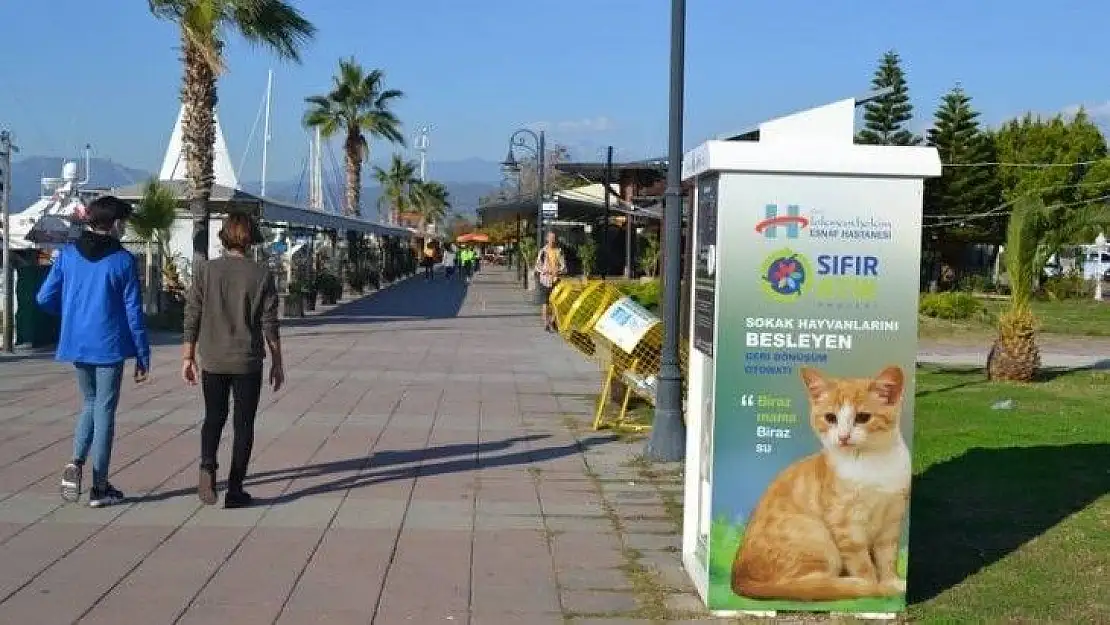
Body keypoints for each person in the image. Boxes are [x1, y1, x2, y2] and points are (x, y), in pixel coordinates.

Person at [36, 195, 150, 508]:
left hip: (76, 341)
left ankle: (75, 460)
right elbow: (133, 314)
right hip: (109, 345)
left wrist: (72, 311)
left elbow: (43, 298)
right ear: (114, 224)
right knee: (105, 411)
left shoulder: (68, 255)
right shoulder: (123, 261)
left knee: (89, 401)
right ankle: (99, 486)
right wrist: (142, 355)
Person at [182, 214, 284, 509]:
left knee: (213, 417)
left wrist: (187, 355)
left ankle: (207, 465)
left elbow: (192, 314)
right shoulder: (261, 274)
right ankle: (236, 489)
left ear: (224, 237)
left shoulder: (205, 271)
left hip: (213, 359)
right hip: (247, 361)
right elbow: (269, 323)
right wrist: (277, 362)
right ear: (250, 239)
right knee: (244, 424)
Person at [535, 231, 566, 332]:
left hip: (556, 280)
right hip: (544, 280)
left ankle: (552, 321)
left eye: (554, 238)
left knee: (556, 302)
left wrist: (559, 270)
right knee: (545, 303)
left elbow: (564, 266)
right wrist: (544, 270)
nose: (552, 240)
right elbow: (537, 265)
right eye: (551, 238)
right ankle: (546, 323)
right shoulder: (543, 251)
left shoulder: (559, 251)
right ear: (547, 239)